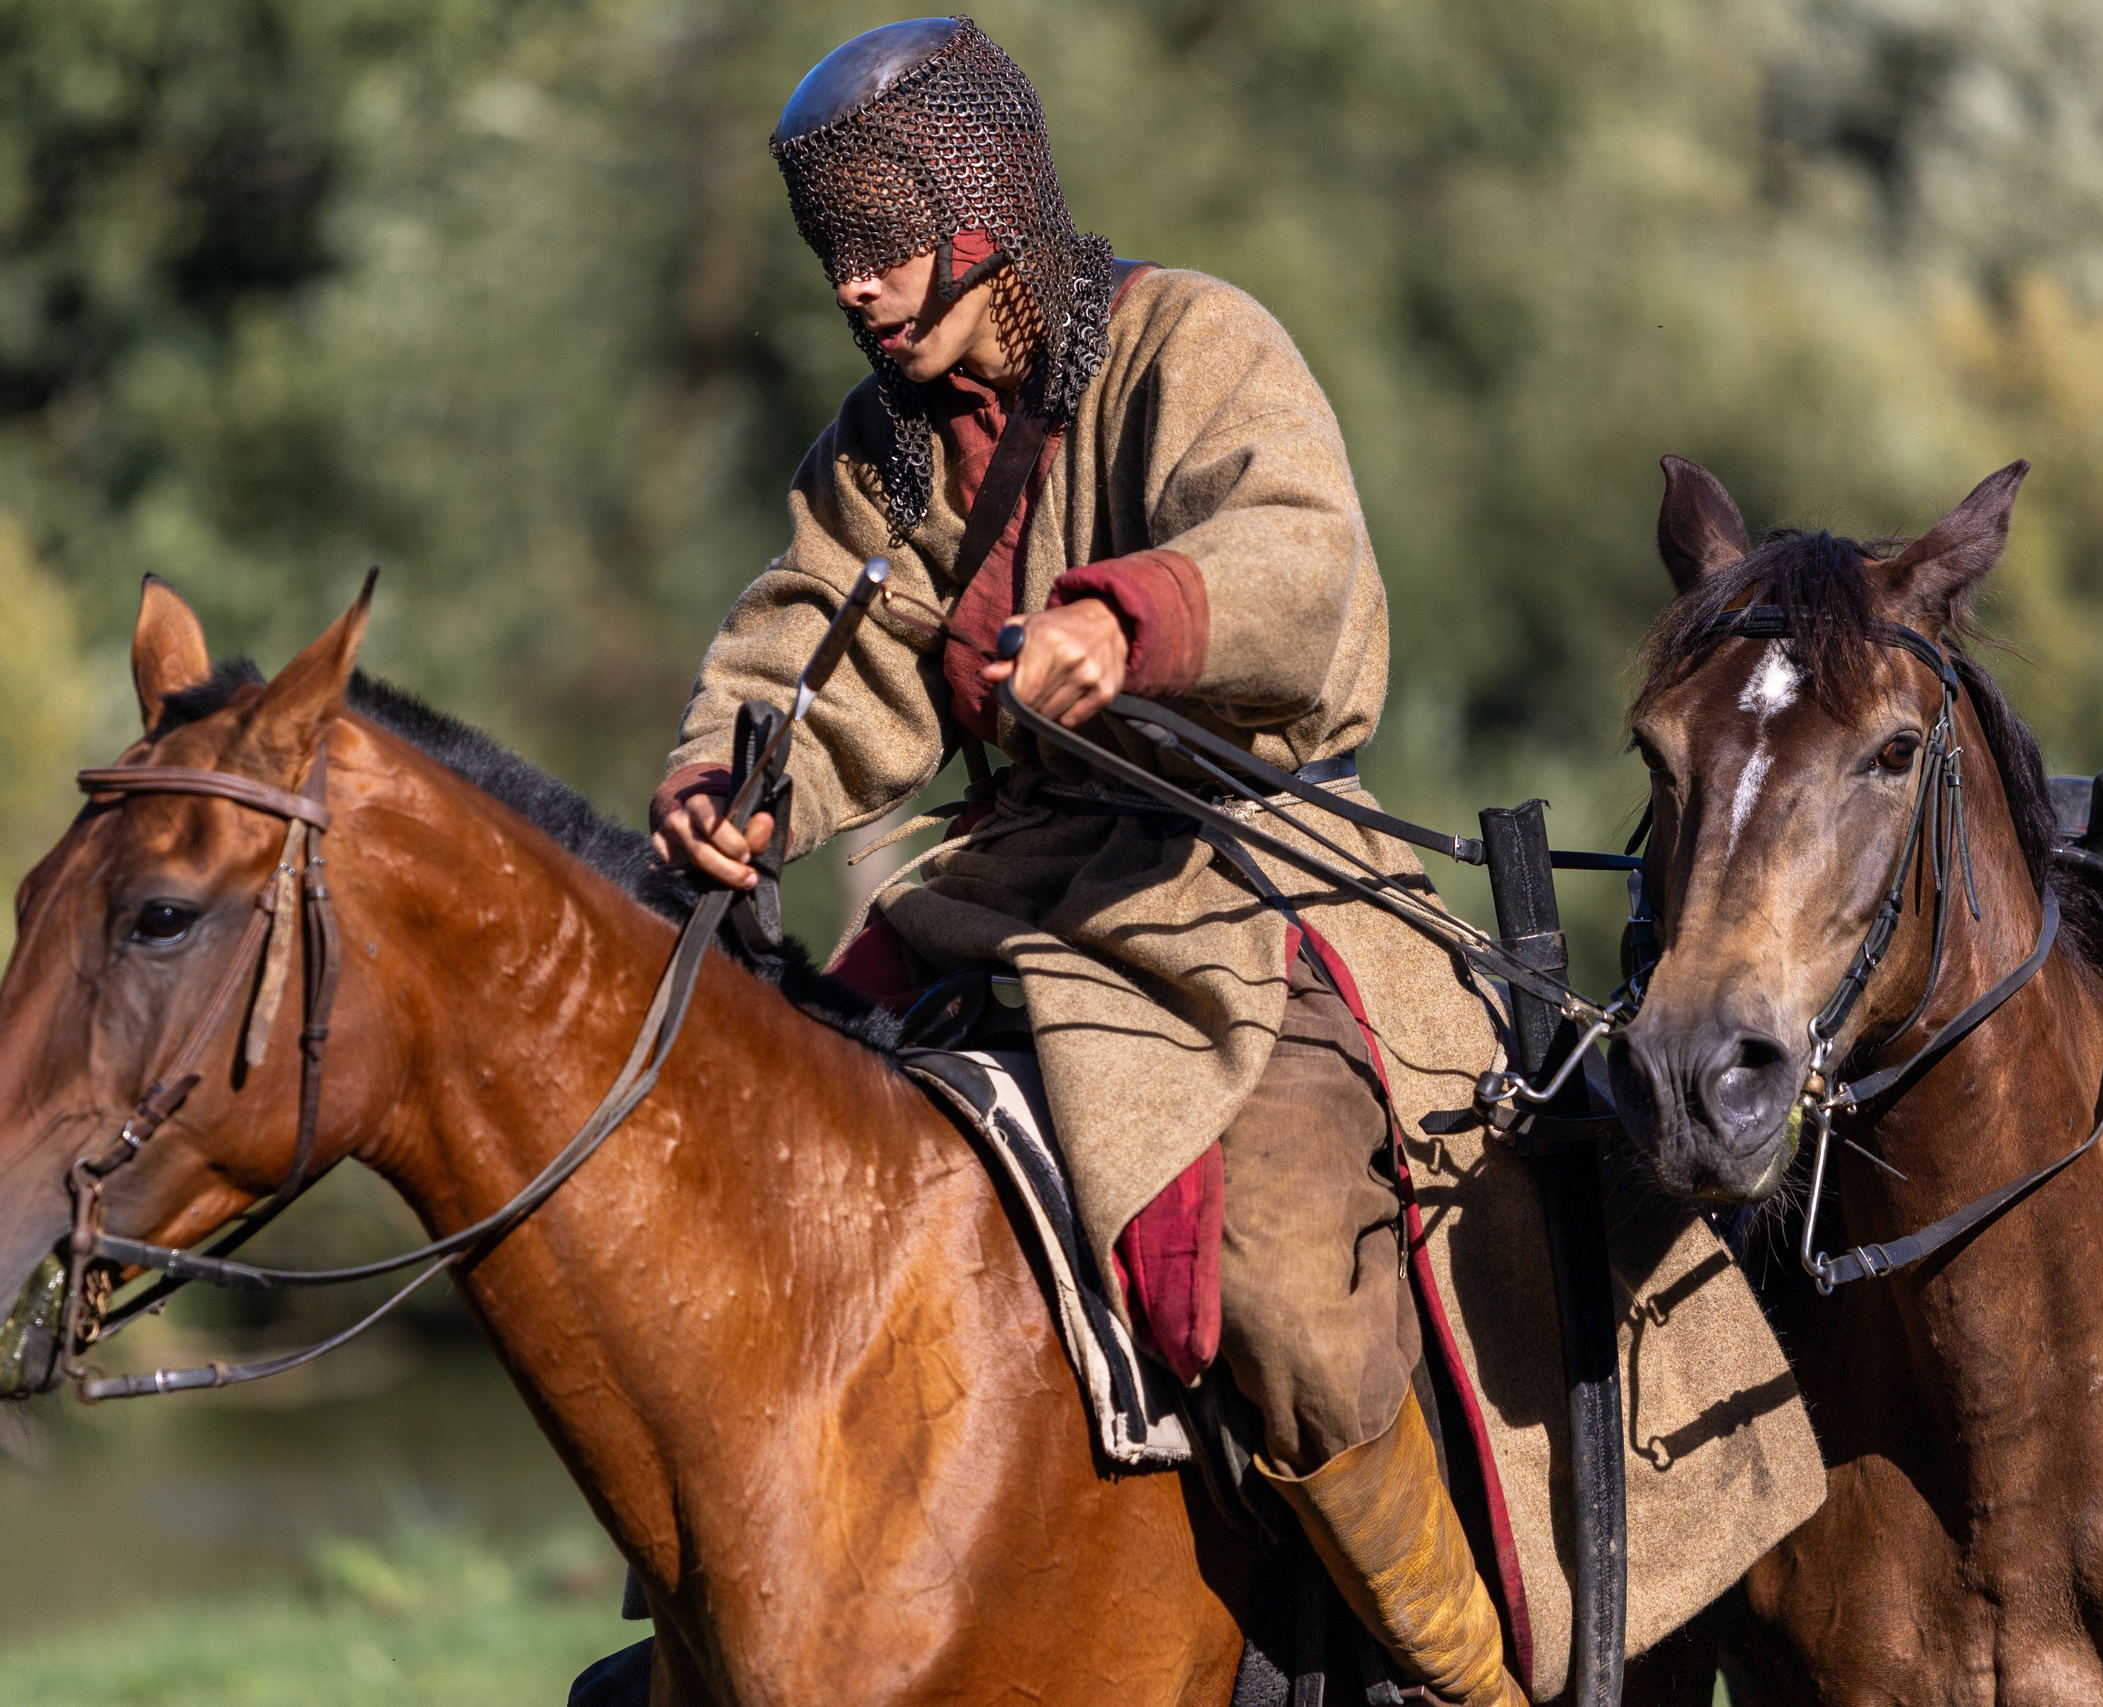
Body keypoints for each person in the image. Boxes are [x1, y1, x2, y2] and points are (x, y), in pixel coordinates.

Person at [650, 20, 1520, 1705]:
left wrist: (1136, 622)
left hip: (1246, 874)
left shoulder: (1193, 342)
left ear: (986, 205)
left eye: (885, 241)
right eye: (835, 251)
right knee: (781, 1194)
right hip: (1005, 891)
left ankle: (1458, 1679)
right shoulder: (880, 451)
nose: (856, 286)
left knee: (1277, 1282)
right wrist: (734, 779)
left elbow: (1301, 555)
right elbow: (811, 652)